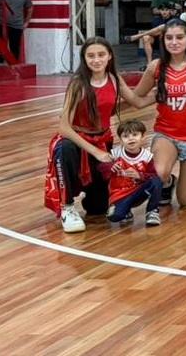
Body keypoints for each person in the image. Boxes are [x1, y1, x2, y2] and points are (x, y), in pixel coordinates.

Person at [43, 37, 154, 233]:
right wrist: (96, 152)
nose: (96, 60)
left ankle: (91, 193)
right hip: (76, 140)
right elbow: (64, 127)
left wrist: (161, 93)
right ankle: (67, 207)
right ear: (84, 59)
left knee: (98, 208)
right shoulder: (78, 83)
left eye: (101, 55)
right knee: (64, 148)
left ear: (109, 56)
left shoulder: (114, 79)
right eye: (91, 56)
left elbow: (137, 102)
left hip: (102, 140)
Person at [132, 19, 186, 207]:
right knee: (158, 173)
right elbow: (136, 98)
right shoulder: (156, 66)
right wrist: (112, 89)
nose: (174, 42)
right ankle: (168, 181)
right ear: (163, 41)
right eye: (169, 38)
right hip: (166, 134)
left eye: (179, 37)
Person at [98, 120, 163, 226]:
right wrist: (110, 166)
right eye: (126, 136)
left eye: (135, 135)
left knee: (157, 181)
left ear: (143, 137)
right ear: (121, 140)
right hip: (120, 194)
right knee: (114, 217)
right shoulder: (115, 153)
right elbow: (100, 167)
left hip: (138, 191)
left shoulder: (147, 156)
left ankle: (152, 211)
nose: (131, 138)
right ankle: (126, 210)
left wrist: (139, 175)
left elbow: (153, 175)